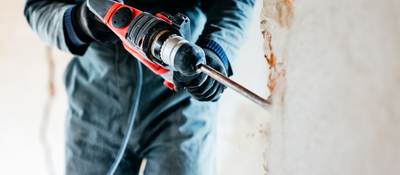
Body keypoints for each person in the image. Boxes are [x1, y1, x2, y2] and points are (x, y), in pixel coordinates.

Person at [24, 0, 254, 174]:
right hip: (95, 104)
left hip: (181, 104)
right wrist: (80, 21)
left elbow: (235, 3)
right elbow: (39, 7)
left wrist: (218, 50)